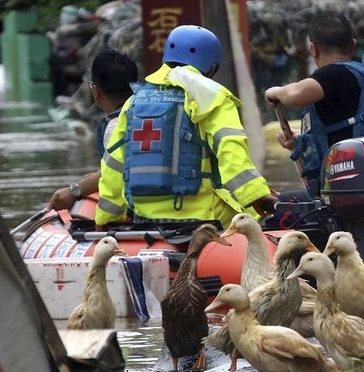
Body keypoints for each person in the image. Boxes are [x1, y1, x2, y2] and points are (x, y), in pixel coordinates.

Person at [95, 25, 278, 229]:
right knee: (267, 217)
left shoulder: (134, 102)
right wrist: (258, 197)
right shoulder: (213, 97)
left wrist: (105, 220)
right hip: (205, 218)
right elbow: (231, 152)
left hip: (145, 219)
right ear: (212, 68)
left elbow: (113, 165)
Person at [263, 10, 364, 192]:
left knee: (283, 204)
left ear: (313, 49)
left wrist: (274, 91)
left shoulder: (333, 75)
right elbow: (343, 131)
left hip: (347, 191)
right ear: (353, 46)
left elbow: (295, 96)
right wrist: (301, 142)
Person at [48, 50, 138, 211]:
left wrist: (74, 190)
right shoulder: (150, 115)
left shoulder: (116, 125)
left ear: (95, 91)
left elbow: (115, 175)